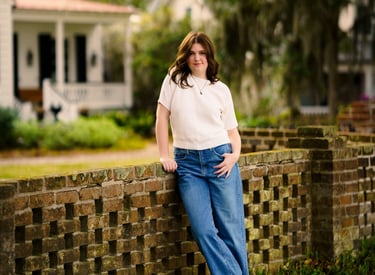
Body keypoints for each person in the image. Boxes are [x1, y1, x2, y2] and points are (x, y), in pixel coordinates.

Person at [155, 31, 249, 275]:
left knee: (231, 229)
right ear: (186, 57)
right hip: (188, 165)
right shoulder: (174, 79)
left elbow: (233, 133)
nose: (197, 58)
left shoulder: (221, 90)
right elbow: (161, 118)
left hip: (221, 160)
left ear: (209, 57)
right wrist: (165, 155)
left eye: (202, 53)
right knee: (204, 230)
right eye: (192, 53)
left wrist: (234, 156)